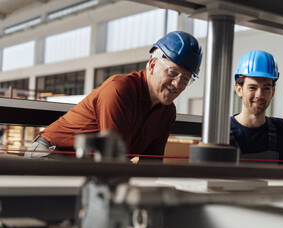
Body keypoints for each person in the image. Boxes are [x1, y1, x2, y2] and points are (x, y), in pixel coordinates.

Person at [24, 31, 203, 160]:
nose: (177, 85)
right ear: (152, 65)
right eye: (172, 73)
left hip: (91, 162)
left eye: (186, 79)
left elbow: (151, 163)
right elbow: (112, 158)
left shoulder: (167, 112)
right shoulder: (120, 89)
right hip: (51, 152)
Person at [230, 50, 283, 163]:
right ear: (239, 90)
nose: (259, 95)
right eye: (252, 88)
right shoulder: (222, 132)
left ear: (273, 91)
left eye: (266, 88)